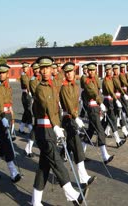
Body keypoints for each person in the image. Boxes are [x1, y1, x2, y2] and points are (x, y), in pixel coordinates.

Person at [31, 56, 87, 206]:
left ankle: (35, 201)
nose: (45, 71)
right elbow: (49, 106)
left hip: (50, 129)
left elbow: (63, 74)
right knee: (58, 163)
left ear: (52, 69)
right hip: (44, 130)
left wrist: (66, 65)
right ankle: (72, 195)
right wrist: (56, 125)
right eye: (42, 68)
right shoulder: (41, 88)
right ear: (39, 71)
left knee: (44, 168)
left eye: (48, 68)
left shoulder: (53, 84)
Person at [59, 62, 96, 188]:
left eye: (71, 71)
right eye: (67, 72)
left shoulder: (75, 86)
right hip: (68, 119)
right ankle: (82, 178)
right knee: (77, 147)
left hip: (73, 118)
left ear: (74, 72)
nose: (69, 74)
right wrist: (76, 118)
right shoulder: (64, 87)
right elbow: (69, 106)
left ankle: (83, 177)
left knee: (75, 147)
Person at [0, 63, 22, 183]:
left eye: (3, 73)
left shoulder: (8, 87)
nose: (1, 75)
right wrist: (3, 117)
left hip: (8, 115)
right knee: (7, 144)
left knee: (3, 144)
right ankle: (13, 172)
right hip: (1, 117)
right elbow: (0, 105)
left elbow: (9, 103)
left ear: (8, 74)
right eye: (0, 73)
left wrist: (11, 115)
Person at [81, 62, 114, 164]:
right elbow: (93, 93)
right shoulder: (87, 81)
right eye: (89, 70)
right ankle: (105, 156)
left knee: (90, 130)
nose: (91, 72)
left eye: (93, 70)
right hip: (92, 107)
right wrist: (101, 103)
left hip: (96, 107)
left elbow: (98, 91)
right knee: (100, 130)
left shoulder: (94, 79)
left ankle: (81, 153)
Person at [101, 63, 126, 147]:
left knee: (106, 121)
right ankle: (118, 140)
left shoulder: (112, 79)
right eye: (107, 70)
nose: (109, 71)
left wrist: (123, 94)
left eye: (110, 70)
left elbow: (117, 87)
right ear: (105, 71)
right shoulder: (106, 80)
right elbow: (110, 92)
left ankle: (99, 138)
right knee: (112, 120)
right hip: (108, 101)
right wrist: (116, 100)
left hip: (111, 100)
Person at [24, 62, 41, 157]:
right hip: (38, 106)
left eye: (38, 69)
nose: (37, 71)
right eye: (35, 69)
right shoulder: (33, 81)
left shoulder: (42, 78)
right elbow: (37, 94)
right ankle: (28, 147)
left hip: (45, 105)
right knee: (36, 127)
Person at [112, 64, 128, 138]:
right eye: (115, 69)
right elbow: (118, 87)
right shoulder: (113, 78)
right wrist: (124, 94)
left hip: (119, 96)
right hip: (115, 98)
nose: (116, 70)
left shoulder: (119, 76)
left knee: (116, 114)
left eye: (117, 69)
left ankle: (105, 131)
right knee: (116, 115)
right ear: (113, 70)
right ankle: (124, 131)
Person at [18, 62, 33, 135]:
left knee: (26, 111)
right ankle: (31, 128)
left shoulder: (28, 75)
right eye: (24, 68)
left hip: (27, 94)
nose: (25, 69)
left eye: (26, 67)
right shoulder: (23, 75)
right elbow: (26, 84)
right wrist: (30, 92)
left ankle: (21, 128)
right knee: (28, 111)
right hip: (26, 94)